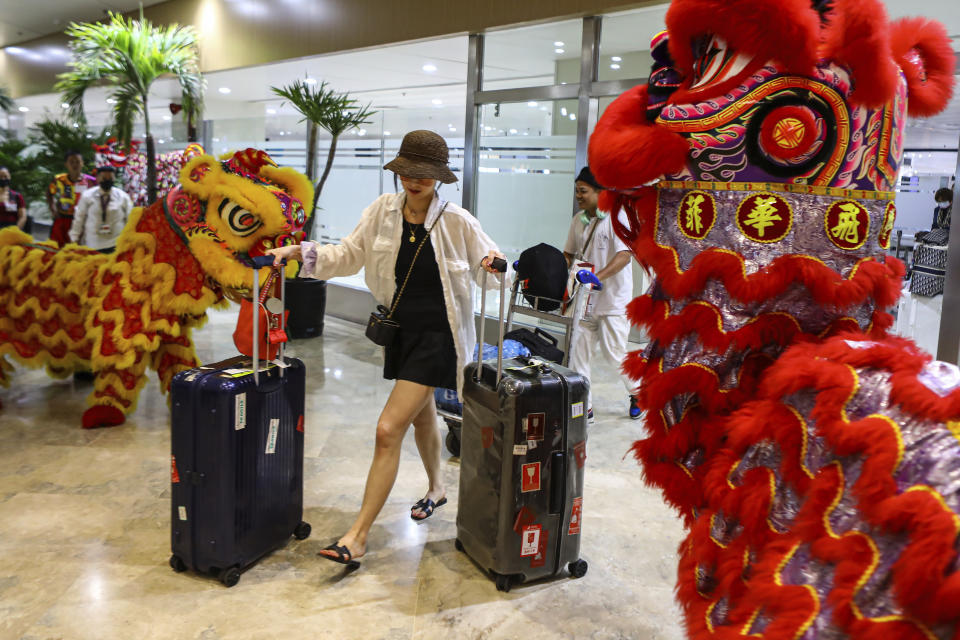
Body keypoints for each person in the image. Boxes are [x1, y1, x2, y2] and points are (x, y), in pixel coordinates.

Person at [267, 129, 505, 567]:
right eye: (408, 173)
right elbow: (349, 255)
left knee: (387, 429)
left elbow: (490, 271)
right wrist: (301, 251)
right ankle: (437, 488)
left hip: (440, 339)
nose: (414, 182)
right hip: (401, 332)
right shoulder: (382, 211)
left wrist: (494, 265)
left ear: (439, 179)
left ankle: (357, 536)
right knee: (422, 417)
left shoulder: (458, 221)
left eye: (425, 176)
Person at [563, 166, 640, 421]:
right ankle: (584, 406)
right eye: (576, 191)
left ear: (600, 192)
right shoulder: (578, 221)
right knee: (577, 354)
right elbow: (569, 254)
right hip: (583, 301)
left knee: (614, 354)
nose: (578, 196)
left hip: (612, 301)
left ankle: (639, 392)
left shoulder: (617, 219)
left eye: (583, 191)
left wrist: (598, 276)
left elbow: (624, 256)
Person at [69, 167, 132, 252]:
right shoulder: (87, 195)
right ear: (98, 178)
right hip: (93, 244)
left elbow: (131, 220)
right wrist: (74, 238)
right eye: (104, 178)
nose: (107, 181)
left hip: (117, 244)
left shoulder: (123, 197)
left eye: (110, 178)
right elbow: (79, 218)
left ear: (114, 179)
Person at [48, 150, 97, 247]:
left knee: (78, 250)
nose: (75, 164)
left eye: (77, 162)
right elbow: (49, 194)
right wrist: (53, 210)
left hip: (82, 221)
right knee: (57, 248)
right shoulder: (59, 179)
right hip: (63, 219)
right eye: (71, 162)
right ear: (66, 164)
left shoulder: (91, 181)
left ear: (82, 163)